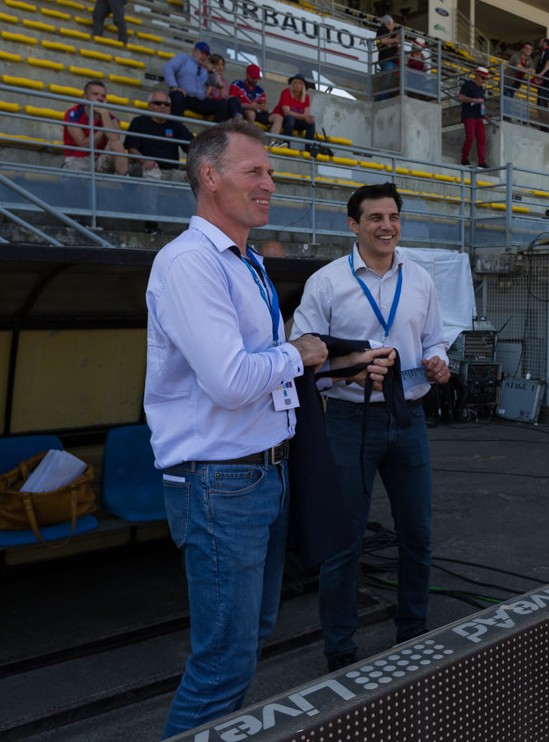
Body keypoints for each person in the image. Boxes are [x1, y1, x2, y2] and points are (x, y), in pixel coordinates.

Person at [145, 118, 392, 737]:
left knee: (247, 639)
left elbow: (269, 367)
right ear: (209, 177)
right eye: (255, 171)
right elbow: (231, 380)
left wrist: (338, 369)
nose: (270, 184)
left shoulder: (244, 261)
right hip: (222, 482)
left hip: (260, 474)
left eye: (271, 173)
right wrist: (304, 354)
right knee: (223, 664)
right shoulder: (189, 264)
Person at [290, 182, 450, 672]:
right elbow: (299, 352)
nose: (387, 226)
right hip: (346, 420)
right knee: (344, 541)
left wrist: (438, 362)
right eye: (375, 217)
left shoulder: (419, 279)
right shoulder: (326, 282)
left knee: (418, 534)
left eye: (393, 216)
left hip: (408, 420)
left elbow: (435, 340)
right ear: (353, 225)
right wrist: (349, 368)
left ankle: (413, 630)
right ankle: (340, 650)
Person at [124, 90, 194, 181]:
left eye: (166, 104)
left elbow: (193, 147)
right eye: (158, 103)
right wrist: (144, 161)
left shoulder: (175, 125)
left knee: (194, 178)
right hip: (145, 167)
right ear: (150, 106)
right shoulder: (139, 122)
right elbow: (131, 148)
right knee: (152, 173)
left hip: (170, 172)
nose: (162, 106)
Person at [62, 80, 128, 175]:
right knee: (74, 173)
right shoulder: (73, 113)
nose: (100, 99)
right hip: (77, 159)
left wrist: (104, 112)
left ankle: (127, 178)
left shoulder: (110, 116)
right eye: (95, 94)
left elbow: (115, 139)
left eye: (103, 96)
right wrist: (105, 129)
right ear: (85, 97)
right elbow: (83, 144)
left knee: (117, 144)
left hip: (100, 160)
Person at [164, 42, 230, 122]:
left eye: (206, 55)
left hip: (199, 101)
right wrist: (173, 86)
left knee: (221, 105)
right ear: (194, 51)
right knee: (177, 95)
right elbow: (168, 68)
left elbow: (213, 83)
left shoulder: (207, 67)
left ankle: (216, 133)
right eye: (202, 53)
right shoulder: (184, 58)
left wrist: (210, 72)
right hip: (184, 97)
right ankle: (177, 128)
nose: (204, 56)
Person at [269, 73, 315, 145]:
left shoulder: (306, 97)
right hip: (283, 120)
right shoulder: (286, 92)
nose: (297, 85)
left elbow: (306, 114)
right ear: (292, 84)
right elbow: (287, 112)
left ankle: (309, 150)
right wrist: (304, 116)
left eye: (300, 83)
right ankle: (286, 144)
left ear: (303, 86)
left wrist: (309, 118)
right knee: (290, 119)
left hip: (296, 122)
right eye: (295, 82)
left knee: (311, 123)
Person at [457, 66, 489, 168]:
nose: (484, 81)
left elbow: (481, 103)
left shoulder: (480, 88)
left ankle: (482, 162)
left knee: (482, 138)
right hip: (469, 115)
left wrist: (484, 115)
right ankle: (464, 159)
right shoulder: (468, 85)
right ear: (477, 76)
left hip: (478, 116)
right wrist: (475, 100)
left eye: (485, 79)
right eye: (483, 78)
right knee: (470, 137)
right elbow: (460, 97)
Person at [374, 14, 400, 100]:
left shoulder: (392, 33)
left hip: (393, 60)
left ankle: (385, 100)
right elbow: (383, 40)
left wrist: (397, 38)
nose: (393, 25)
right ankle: (380, 101)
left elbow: (396, 43)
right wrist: (395, 39)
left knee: (390, 84)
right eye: (393, 23)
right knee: (386, 83)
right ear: (389, 22)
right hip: (386, 59)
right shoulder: (382, 29)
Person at [534, 37, 549, 109]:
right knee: (541, 102)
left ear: (544, 43)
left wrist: (541, 73)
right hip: (543, 81)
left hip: (546, 81)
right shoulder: (544, 52)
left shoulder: (548, 51)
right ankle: (541, 118)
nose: (539, 44)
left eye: (541, 42)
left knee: (542, 103)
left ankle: (542, 119)